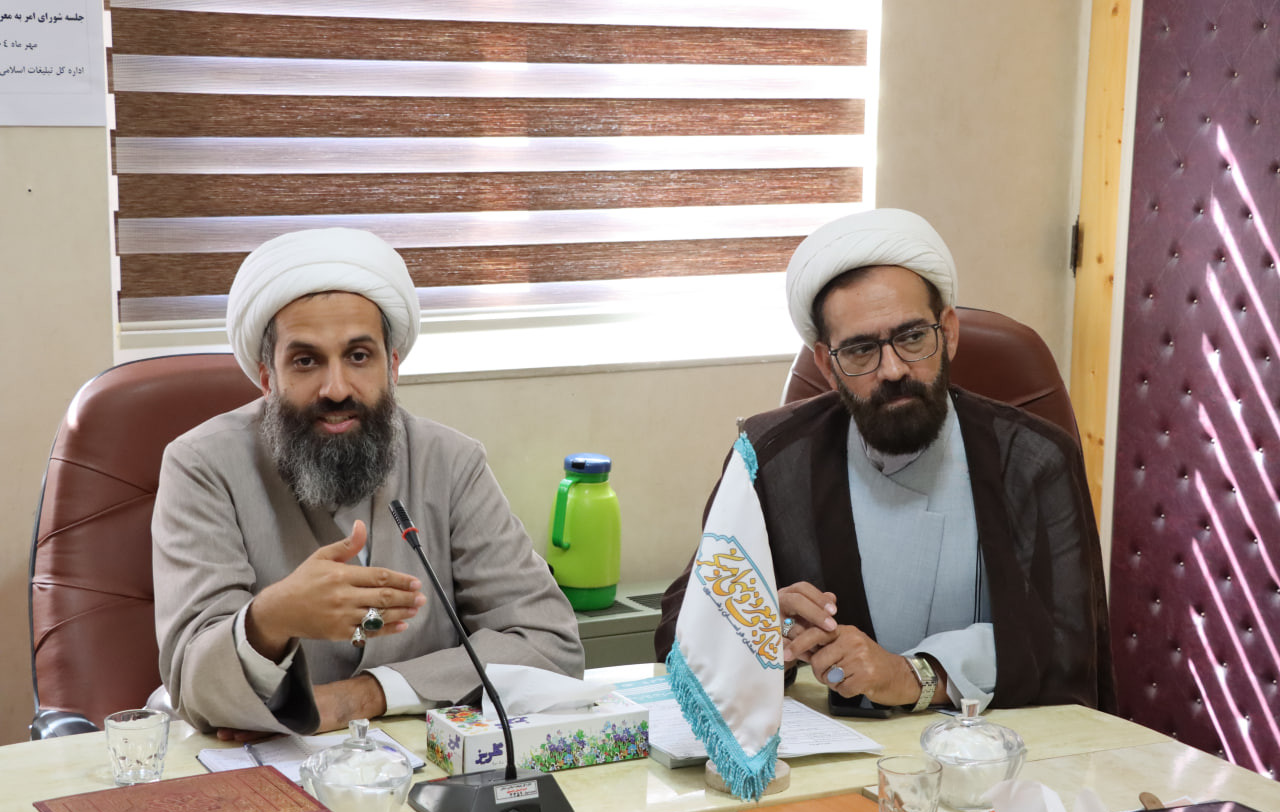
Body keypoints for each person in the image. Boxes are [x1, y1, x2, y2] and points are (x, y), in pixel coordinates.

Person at [655, 208, 1115, 713]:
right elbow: (680, 625)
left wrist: (914, 676)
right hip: (835, 748)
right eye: (860, 350)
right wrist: (757, 624)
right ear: (827, 365)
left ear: (949, 333)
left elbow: (1069, 646)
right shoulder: (771, 456)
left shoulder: (1033, 458)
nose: (893, 370)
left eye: (913, 337)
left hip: (995, 748)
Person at [153, 228, 584, 737]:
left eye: (358, 356)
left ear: (392, 366)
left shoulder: (451, 462)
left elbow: (550, 645)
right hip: (254, 764)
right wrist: (271, 618)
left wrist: (363, 696)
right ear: (268, 377)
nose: (336, 389)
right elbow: (194, 683)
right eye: (306, 361)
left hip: (420, 764)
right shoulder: (201, 466)